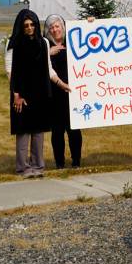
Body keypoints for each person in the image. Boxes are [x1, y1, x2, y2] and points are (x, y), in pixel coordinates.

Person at [5, 8, 70, 178]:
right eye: (26, 25)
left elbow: (49, 69)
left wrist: (61, 84)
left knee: (38, 133)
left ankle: (38, 166)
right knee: (23, 132)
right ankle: (23, 168)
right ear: (21, 26)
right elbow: (10, 71)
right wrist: (16, 95)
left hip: (40, 93)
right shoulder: (13, 43)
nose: (29, 28)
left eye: (32, 24)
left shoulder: (44, 43)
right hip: (21, 93)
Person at [44, 15, 82, 168]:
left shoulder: (72, 41)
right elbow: (36, 62)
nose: (55, 30)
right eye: (51, 27)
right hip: (54, 94)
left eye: (57, 26)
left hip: (73, 93)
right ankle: (59, 163)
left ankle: (76, 161)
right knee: (57, 131)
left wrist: (91, 22)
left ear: (62, 27)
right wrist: (48, 52)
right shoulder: (45, 45)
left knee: (74, 129)